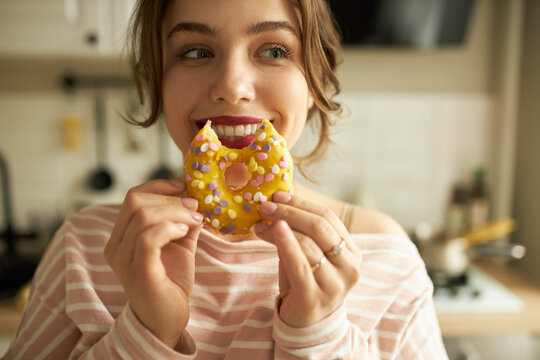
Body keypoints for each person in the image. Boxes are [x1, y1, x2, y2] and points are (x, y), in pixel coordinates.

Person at [2, 0, 448, 358]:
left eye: (274, 50)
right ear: (157, 80)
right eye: (196, 51)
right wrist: (145, 334)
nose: (232, 86)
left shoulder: (384, 259)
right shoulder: (88, 247)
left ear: (314, 81)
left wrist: (319, 338)